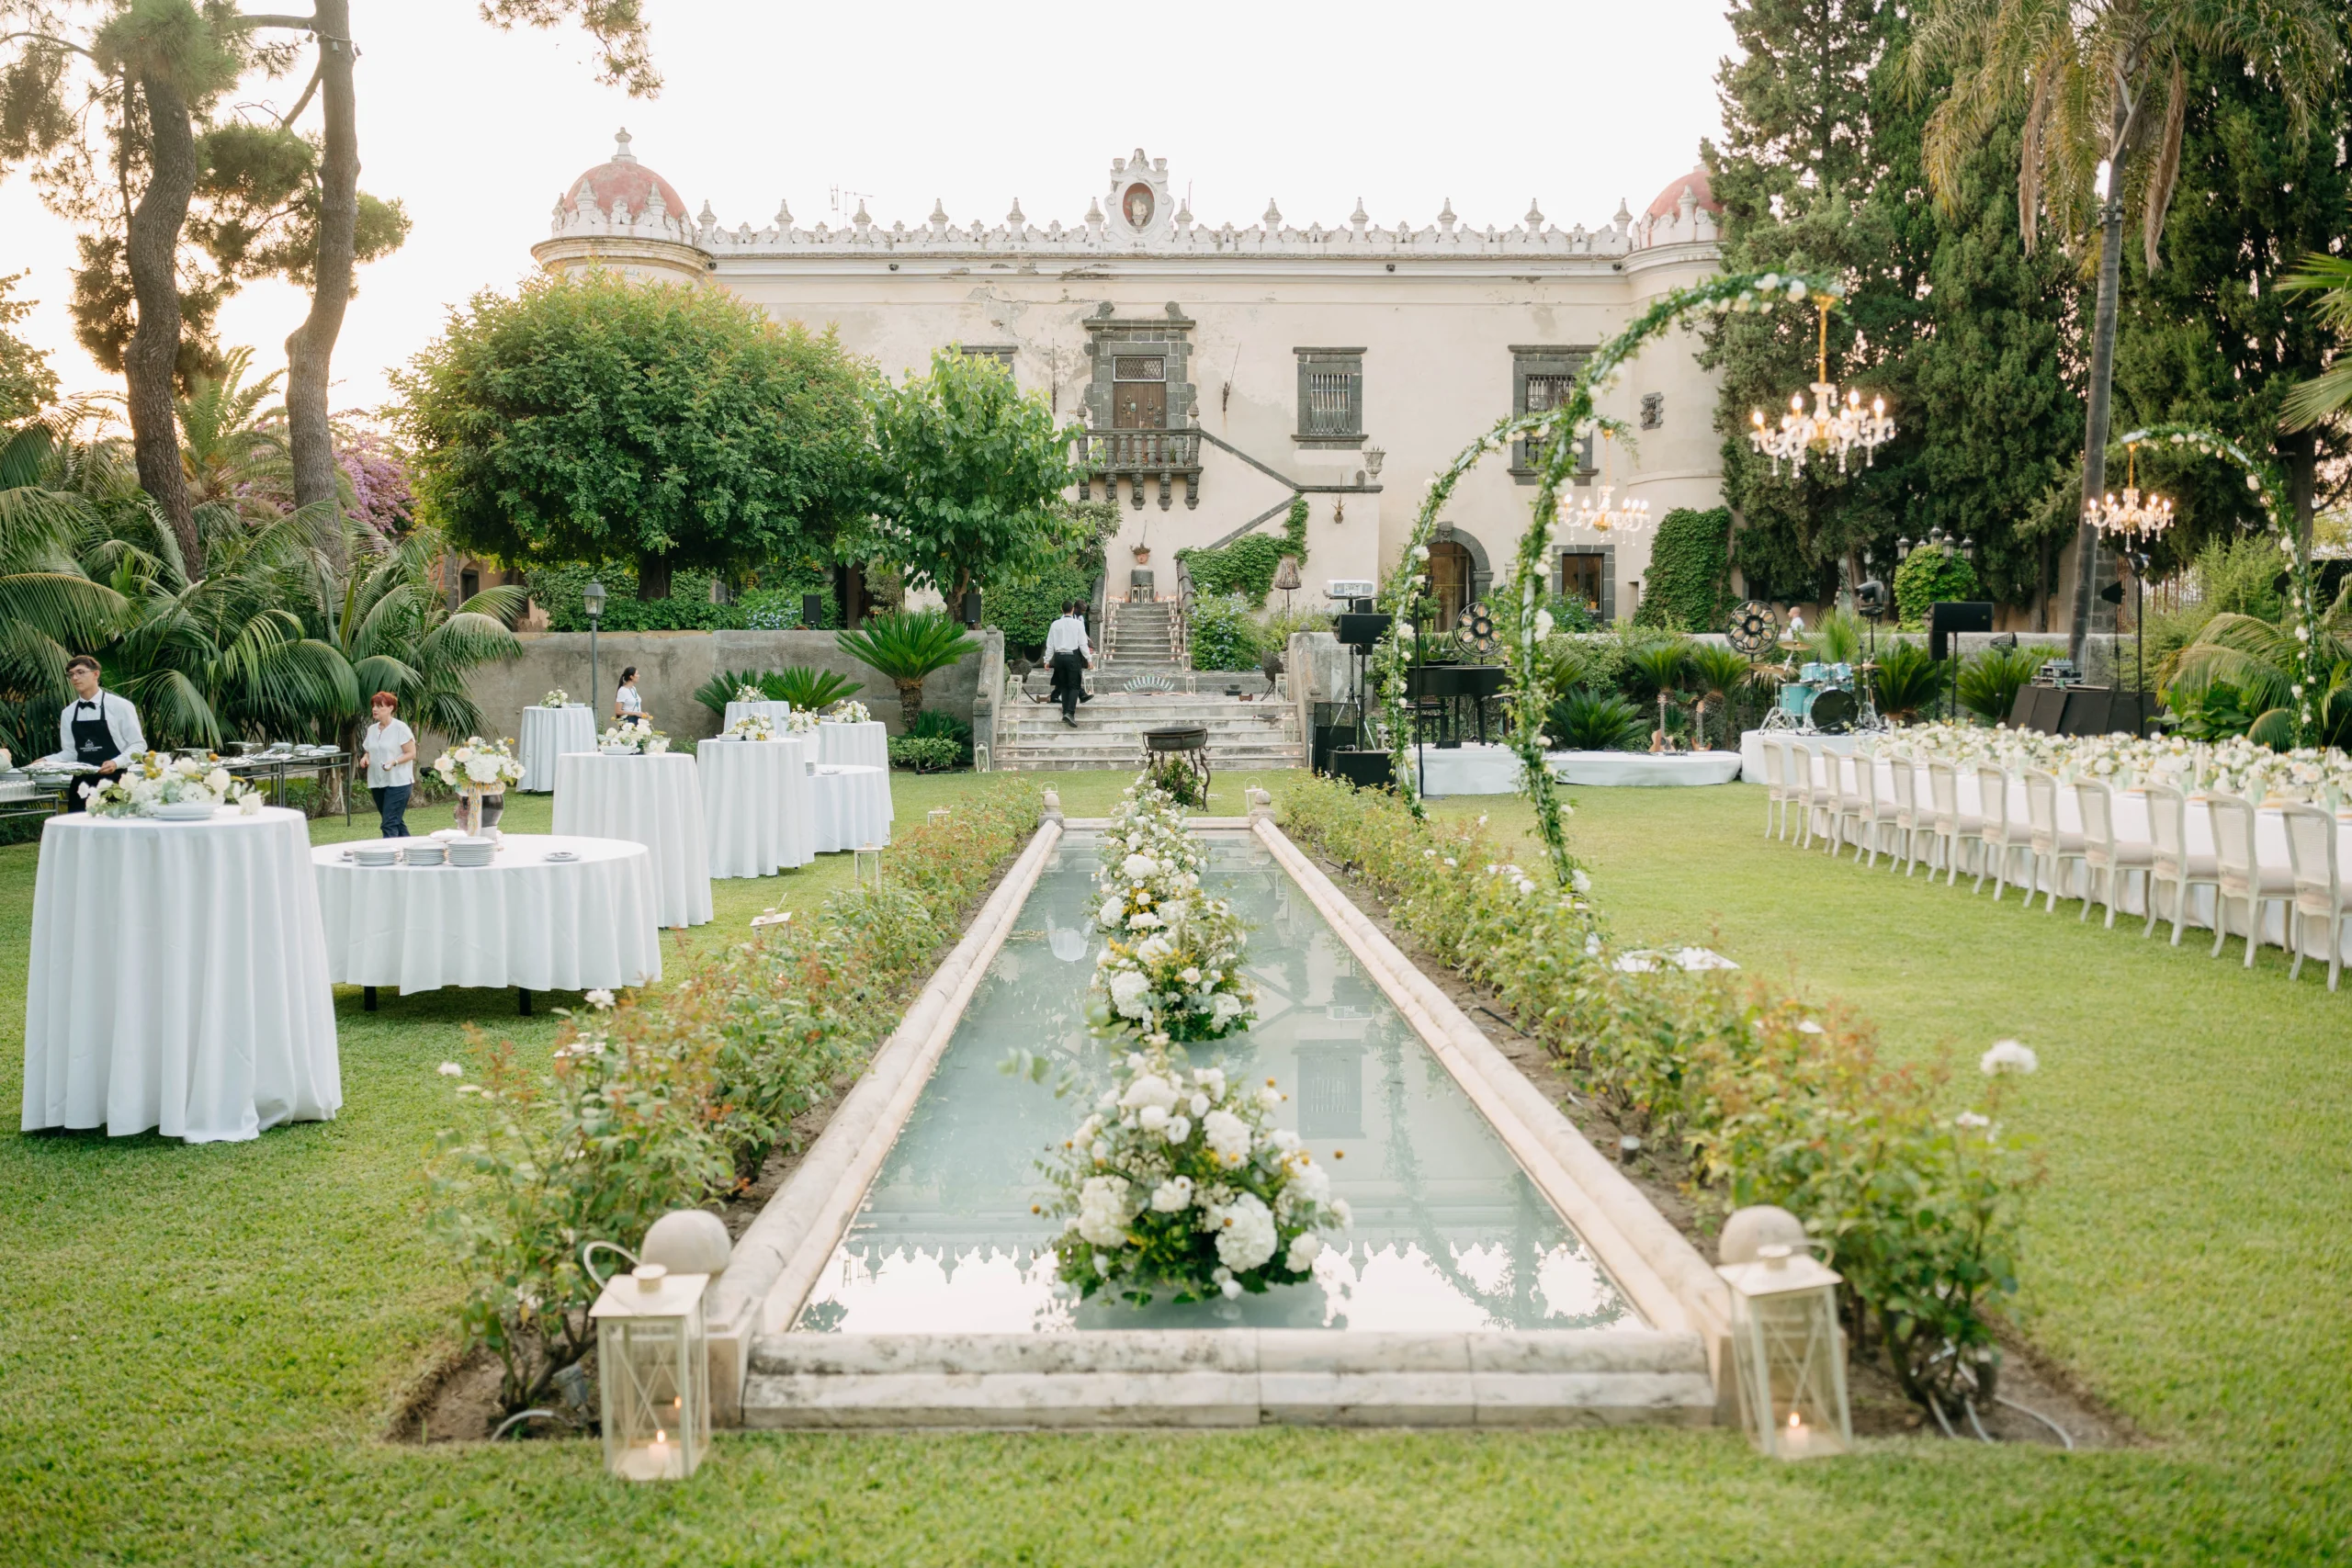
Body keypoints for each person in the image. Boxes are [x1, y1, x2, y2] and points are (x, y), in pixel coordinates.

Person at [45, 654, 144, 812]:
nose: (75, 678)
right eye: (71, 674)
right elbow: (71, 753)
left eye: (80, 672)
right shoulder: (68, 713)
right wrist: (46, 760)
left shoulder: (120, 706)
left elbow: (138, 745)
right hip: (82, 786)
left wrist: (116, 762)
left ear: (96, 674)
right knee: (78, 826)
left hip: (116, 783)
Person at [361, 691, 416, 837]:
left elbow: (411, 753)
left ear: (391, 708)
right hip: (377, 782)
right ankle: (409, 847)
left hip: (399, 782)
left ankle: (390, 850)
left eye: (379, 706)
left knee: (389, 823)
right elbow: (368, 750)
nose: (375, 709)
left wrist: (394, 761)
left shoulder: (401, 728)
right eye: (373, 706)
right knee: (395, 821)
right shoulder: (372, 730)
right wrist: (365, 758)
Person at [1044, 600, 1094, 726]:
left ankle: (1065, 712)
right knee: (1074, 686)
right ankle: (1070, 713)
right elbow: (1083, 644)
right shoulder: (1078, 624)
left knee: (1064, 685)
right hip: (1072, 657)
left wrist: (1047, 660)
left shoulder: (1055, 624)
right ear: (1072, 610)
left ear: (1062, 610)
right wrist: (1089, 659)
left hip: (1059, 658)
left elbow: (1050, 644)